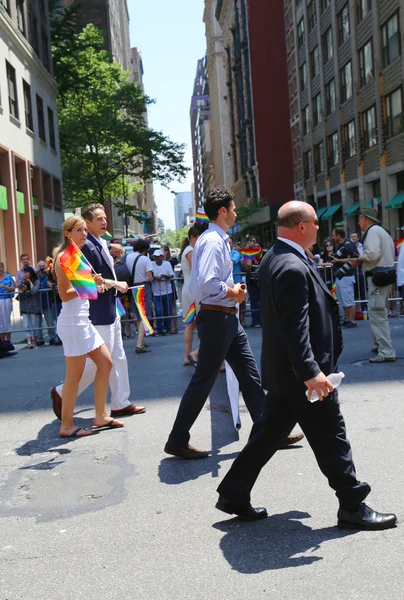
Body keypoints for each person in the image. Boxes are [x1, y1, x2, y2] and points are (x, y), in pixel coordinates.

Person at [216, 201, 397, 530]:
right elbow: (293, 328)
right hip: (303, 375)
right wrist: (312, 373)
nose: (319, 228)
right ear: (301, 226)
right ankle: (352, 505)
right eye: (315, 222)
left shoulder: (276, 256)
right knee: (332, 436)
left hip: (287, 375)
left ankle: (233, 491)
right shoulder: (290, 265)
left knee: (268, 434)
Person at [164, 187, 303, 459]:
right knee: (204, 379)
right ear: (223, 210)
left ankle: (271, 431)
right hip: (218, 316)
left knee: (250, 375)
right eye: (234, 207)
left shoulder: (214, 239)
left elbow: (209, 282)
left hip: (224, 317)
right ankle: (177, 438)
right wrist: (233, 292)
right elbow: (207, 283)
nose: (236, 212)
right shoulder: (214, 241)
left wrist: (230, 292)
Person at [51, 204, 146, 419]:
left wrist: (106, 285)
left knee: (116, 356)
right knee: (100, 363)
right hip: (94, 312)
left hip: (109, 308)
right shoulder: (80, 248)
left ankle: (120, 402)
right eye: (98, 219)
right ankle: (61, 393)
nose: (104, 222)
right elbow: (75, 289)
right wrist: (109, 284)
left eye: (105, 218)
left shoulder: (99, 243)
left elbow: (93, 281)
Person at [54, 216, 123, 437]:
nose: (84, 234)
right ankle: (66, 426)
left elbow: (84, 287)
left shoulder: (77, 255)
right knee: (73, 377)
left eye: (84, 230)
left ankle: (101, 415)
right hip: (73, 323)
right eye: (78, 230)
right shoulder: (64, 257)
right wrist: (90, 285)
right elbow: (65, 295)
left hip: (83, 321)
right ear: (67, 234)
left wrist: (94, 284)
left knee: (106, 363)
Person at [351, 207, 396, 363]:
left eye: (359, 219)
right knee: (379, 310)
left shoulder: (372, 232)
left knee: (377, 313)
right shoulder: (381, 231)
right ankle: (379, 344)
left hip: (377, 276)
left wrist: (361, 258)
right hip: (384, 274)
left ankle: (386, 350)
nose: (358, 222)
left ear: (364, 218)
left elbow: (373, 254)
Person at [180, 225, 202, 366]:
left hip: (188, 289)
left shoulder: (187, 250)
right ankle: (194, 355)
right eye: (199, 238)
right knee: (201, 323)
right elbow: (195, 271)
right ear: (193, 237)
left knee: (190, 324)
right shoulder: (191, 251)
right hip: (193, 290)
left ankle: (188, 356)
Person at [331, 227, 358, 329]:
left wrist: (338, 261)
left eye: (334, 235)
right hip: (340, 275)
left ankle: (352, 320)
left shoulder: (349, 245)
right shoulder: (340, 245)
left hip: (347, 275)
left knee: (348, 298)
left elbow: (355, 258)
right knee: (343, 299)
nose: (332, 237)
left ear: (338, 235)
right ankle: (347, 319)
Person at [126, 239, 154, 334]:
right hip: (144, 286)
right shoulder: (145, 259)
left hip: (132, 286)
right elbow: (150, 278)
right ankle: (140, 343)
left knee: (137, 314)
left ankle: (141, 338)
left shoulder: (127, 257)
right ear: (145, 249)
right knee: (144, 314)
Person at [35, 260, 61, 346]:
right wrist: (37, 272)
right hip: (37, 302)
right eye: (40, 266)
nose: (42, 268)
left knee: (50, 321)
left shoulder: (48, 275)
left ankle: (52, 337)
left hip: (48, 301)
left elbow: (51, 282)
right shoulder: (35, 276)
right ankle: (39, 339)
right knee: (38, 322)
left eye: (43, 266)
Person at [151, 249, 175, 335]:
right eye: (155, 257)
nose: (156, 259)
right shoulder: (151, 264)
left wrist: (165, 276)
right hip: (156, 292)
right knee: (158, 310)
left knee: (167, 310)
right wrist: (155, 277)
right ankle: (159, 327)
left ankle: (167, 327)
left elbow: (171, 275)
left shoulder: (167, 264)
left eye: (158, 257)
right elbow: (150, 276)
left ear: (162, 257)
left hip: (167, 291)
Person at [18, 266, 41, 348]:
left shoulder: (37, 281)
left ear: (31, 273)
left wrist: (30, 283)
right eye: (24, 272)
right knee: (26, 325)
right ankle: (29, 343)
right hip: (25, 306)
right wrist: (22, 290)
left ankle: (35, 342)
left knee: (35, 325)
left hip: (34, 306)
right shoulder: (23, 282)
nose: (25, 274)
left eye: (27, 272)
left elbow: (34, 291)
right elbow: (19, 295)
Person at [0, 262, 15, 348]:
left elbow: (13, 288)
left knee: (6, 321)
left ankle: (8, 341)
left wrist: (4, 287)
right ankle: (2, 343)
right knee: (1, 322)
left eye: (1, 267)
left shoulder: (8, 277)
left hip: (6, 299)